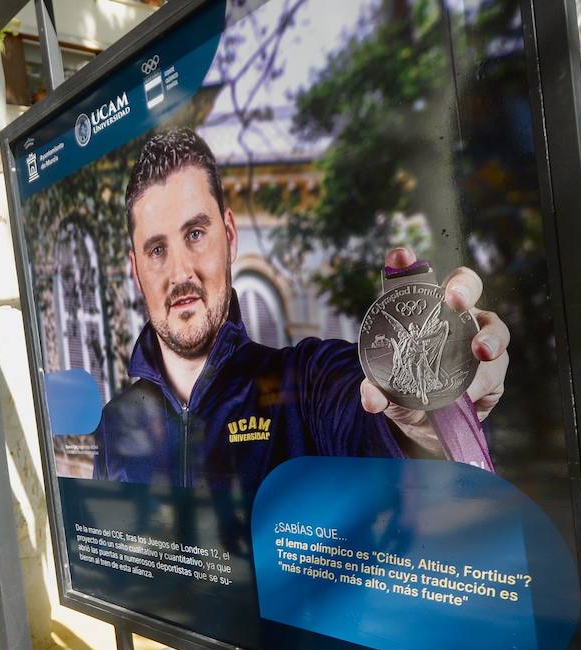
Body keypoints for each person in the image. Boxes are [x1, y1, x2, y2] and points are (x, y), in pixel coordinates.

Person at [91, 128, 511, 491]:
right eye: (157, 249)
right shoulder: (115, 424)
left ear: (230, 237)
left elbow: (364, 418)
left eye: (196, 233)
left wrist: (421, 421)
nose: (180, 271)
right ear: (135, 269)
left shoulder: (305, 382)